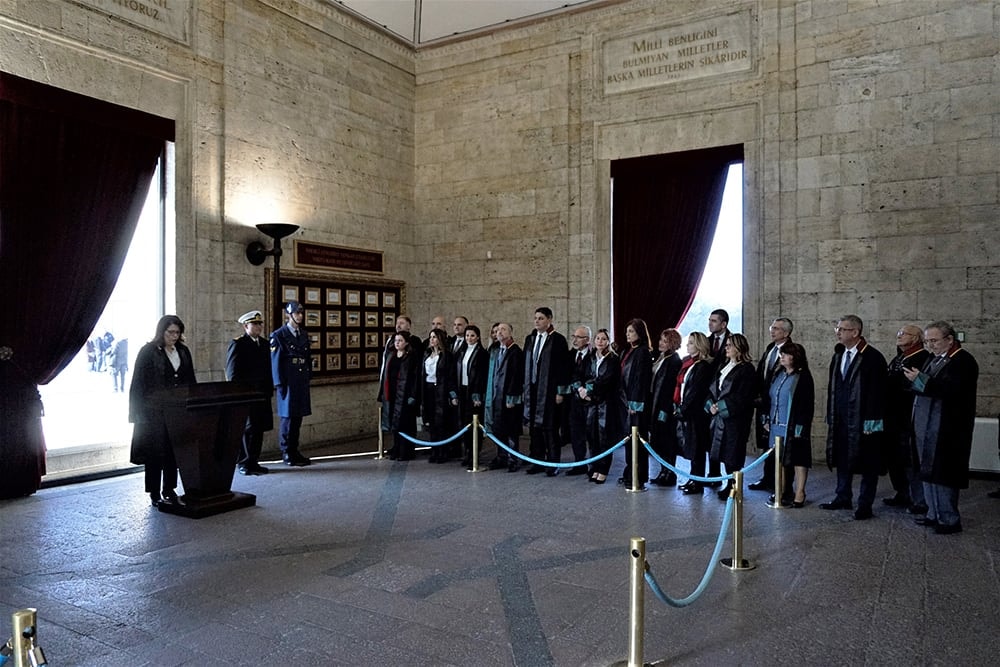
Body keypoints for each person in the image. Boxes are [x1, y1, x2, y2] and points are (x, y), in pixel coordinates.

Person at [904, 321, 979, 534]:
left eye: (934, 341)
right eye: (927, 341)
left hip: (948, 428)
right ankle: (932, 513)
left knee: (943, 473)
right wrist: (916, 380)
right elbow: (925, 386)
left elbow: (951, 390)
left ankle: (949, 519)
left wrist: (921, 380)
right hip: (926, 426)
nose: (931, 345)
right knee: (927, 470)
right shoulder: (934, 358)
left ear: (949, 340)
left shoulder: (963, 361)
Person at [821, 315, 887, 520]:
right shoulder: (839, 355)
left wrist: (872, 421)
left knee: (868, 463)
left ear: (855, 332)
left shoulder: (873, 357)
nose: (838, 332)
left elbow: (878, 393)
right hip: (841, 418)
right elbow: (834, 387)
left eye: (842, 329)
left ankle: (865, 504)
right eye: (837, 328)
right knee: (842, 458)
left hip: (864, 420)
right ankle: (843, 496)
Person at [128, 315, 196, 507]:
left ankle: (169, 488)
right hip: (153, 412)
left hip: (177, 411)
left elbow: (190, 379)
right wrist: (137, 413)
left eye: (177, 332)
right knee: (155, 452)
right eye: (170, 332)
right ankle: (154, 492)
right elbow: (138, 384)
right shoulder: (148, 351)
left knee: (173, 451)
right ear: (161, 332)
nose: (174, 336)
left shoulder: (183, 351)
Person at [882, 325, 930, 512]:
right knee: (896, 459)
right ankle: (902, 492)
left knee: (910, 460)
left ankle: (919, 500)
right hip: (893, 418)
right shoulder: (899, 357)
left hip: (908, 418)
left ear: (917, 338)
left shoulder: (922, 358)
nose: (899, 335)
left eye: (904, 334)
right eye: (898, 332)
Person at [706, 333, 756, 500]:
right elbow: (713, 388)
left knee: (733, 453)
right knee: (722, 452)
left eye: (730, 345)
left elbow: (742, 397)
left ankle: (733, 486)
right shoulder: (724, 366)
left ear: (739, 348)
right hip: (719, 418)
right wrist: (711, 405)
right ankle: (728, 482)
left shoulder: (747, 369)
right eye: (726, 345)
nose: (726, 348)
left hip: (735, 419)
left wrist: (720, 407)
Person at [765, 342, 814, 507]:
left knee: (798, 458)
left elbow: (807, 404)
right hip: (776, 423)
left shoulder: (803, 377)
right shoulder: (779, 374)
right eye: (782, 354)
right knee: (780, 459)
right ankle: (783, 489)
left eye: (786, 354)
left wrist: (801, 426)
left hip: (794, 424)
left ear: (795, 357)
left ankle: (800, 491)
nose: (782, 357)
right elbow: (771, 397)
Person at [523, 307, 570, 476]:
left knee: (549, 427)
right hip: (533, 389)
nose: (537, 321)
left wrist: (560, 392)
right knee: (535, 428)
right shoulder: (530, 339)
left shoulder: (558, 340)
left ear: (549, 319)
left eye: (541, 318)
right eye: (535, 318)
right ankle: (537, 460)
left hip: (550, 391)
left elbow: (563, 368)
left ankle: (553, 462)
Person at [225, 310, 273, 476]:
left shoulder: (265, 344)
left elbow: (268, 370)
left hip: (262, 394)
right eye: (255, 324)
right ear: (246, 326)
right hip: (246, 395)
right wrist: (238, 393)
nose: (259, 327)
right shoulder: (238, 344)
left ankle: (254, 461)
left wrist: (269, 389)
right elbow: (232, 372)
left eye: (260, 324)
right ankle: (244, 462)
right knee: (248, 429)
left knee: (259, 429)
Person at [749, 317, 794, 492]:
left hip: (780, 406)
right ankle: (768, 478)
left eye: (776, 328)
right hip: (765, 403)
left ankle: (784, 486)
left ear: (786, 332)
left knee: (781, 447)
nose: (772, 331)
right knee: (767, 444)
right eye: (772, 327)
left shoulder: (791, 351)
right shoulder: (770, 349)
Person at [270, 301, 312, 467]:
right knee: (287, 418)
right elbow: (276, 361)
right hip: (287, 381)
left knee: (297, 417)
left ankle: (295, 450)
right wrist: (279, 384)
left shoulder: (302, 334)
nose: (300, 316)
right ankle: (287, 451)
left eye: (301, 313)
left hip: (300, 380)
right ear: (289, 315)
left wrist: (308, 376)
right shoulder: (279, 335)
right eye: (297, 313)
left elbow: (307, 358)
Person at [578, 328, 622, 484]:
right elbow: (582, 375)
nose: (600, 341)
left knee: (604, 437)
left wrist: (589, 389)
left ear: (608, 341)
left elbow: (606, 380)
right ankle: (594, 467)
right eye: (597, 338)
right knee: (592, 436)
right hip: (591, 403)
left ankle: (603, 469)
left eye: (603, 339)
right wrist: (581, 389)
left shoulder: (613, 360)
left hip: (606, 403)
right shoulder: (590, 357)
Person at [675, 331, 716, 494]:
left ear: (699, 345)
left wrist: (683, 409)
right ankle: (693, 478)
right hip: (688, 410)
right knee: (692, 448)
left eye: (691, 342)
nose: (687, 345)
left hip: (696, 413)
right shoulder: (691, 363)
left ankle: (697, 481)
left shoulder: (703, 366)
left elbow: (696, 390)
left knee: (697, 448)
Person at [618, 318, 653, 490]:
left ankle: (638, 476)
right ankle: (629, 472)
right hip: (626, 402)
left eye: (631, 331)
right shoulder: (627, 351)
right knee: (628, 441)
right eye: (627, 331)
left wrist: (634, 404)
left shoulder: (643, 352)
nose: (628, 334)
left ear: (639, 332)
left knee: (638, 442)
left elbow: (641, 380)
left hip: (636, 405)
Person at [486, 322, 524, 471]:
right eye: (498, 330)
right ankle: (501, 456)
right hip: (496, 395)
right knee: (498, 428)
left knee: (511, 429)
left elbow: (516, 376)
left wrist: (512, 397)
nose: (500, 332)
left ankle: (512, 458)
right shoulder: (495, 350)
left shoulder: (515, 352)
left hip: (509, 398)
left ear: (510, 333)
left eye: (503, 329)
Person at [649, 328, 683, 487]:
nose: (661, 343)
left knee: (666, 441)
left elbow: (670, 388)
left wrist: (664, 410)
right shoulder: (661, 357)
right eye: (661, 340)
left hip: (665, 408)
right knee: (659, 441)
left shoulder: (674, 360)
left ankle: (669, 473)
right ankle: (663, 471)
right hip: (656, 404)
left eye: (665, 341)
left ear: (673, 343)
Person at [379, 332, 420, 461]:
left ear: (406, 342)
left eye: (400, 340)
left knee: (405, 424)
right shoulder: (391, 355)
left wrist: (413, 395)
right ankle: (396, 449)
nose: (397, 343)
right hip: (392, 394)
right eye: (396, 340)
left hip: (405, 395)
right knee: (394, 423)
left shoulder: (411, 357)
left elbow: (415, 378)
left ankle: (406, 451)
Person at [421, 327, 458, 462]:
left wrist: (453, 395)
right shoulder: (426, 355)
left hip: (441, 390)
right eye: (430, 337)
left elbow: (450, 376)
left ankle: (443, 451)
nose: (431, 340)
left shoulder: (447, 356)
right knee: (431, 421)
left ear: (440, 339)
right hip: (428, 389)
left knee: (441, 422)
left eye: (434, 337)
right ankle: (434, 450)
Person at [457, 324, 489, 469]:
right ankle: (467, 452)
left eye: (472, 335)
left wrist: (478, 396)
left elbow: (482, 377)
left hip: (474, 393)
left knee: (475, 424)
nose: (469, 338)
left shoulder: (482, 354)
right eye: (467, 335)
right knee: (464, 423)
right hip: (462, 390)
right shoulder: (461, 351)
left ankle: (475, 453)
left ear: (478, 337)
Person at [566, 325, 594, 477]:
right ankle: (579, 463)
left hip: (589, 400)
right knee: (576, 433)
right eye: (574, 336)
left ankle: (594, 464)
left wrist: (586, 390)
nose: (575, 340)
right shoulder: (571, 354)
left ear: (587, 340)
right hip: (574, 400)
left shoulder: (593, 355)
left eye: (579, 337)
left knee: (591, 433)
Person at [707, 309, 732, 374]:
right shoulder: (706, 341)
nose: (710, 324)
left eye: (714, 321)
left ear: (723, 324)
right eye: (709, 320)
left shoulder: (733, 341)